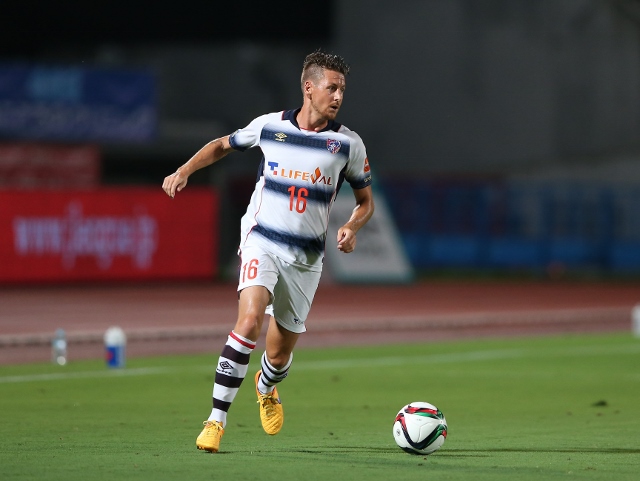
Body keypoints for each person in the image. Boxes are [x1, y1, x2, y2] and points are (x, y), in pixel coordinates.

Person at [162, 50, 374, 453]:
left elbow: (365, 202)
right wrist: (184, 170)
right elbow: (222, 145)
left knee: (277, 355)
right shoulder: (270, 126)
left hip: (306, 260)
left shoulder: (348, 144)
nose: (338, 96)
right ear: (308, 87)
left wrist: (352, 226)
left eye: (342, 89)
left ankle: (266, 386)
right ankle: (215, 421)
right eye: (332, 87)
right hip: (262, 240)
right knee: (248, 322)